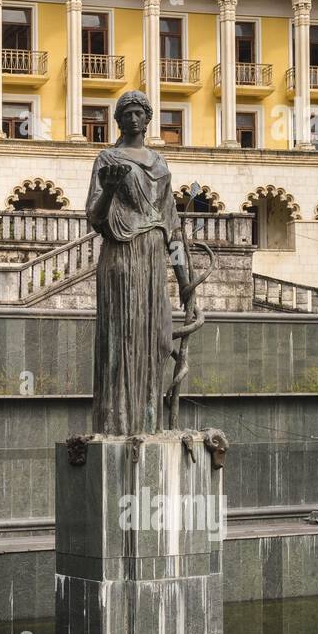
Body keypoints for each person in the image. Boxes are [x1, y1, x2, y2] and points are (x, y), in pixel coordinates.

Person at [85, 90, 196, 435]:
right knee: (121, 340)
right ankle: (116, 424)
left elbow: (173, 227)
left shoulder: (160, 164)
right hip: (120, 255)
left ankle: (149, 424)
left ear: (148, 120)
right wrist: (107, 191)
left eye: (139, 113)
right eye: (127, 113)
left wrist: (185, 281)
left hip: (152, 257)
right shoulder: (107, 160)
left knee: (155, 340)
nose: (133, 119)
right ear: (117, 120)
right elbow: (94, 218)